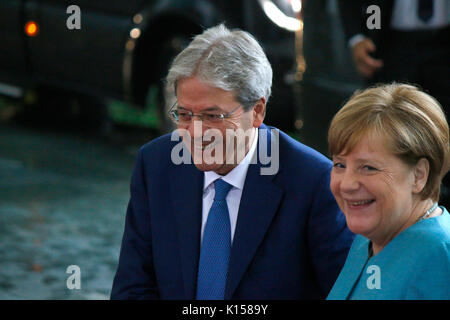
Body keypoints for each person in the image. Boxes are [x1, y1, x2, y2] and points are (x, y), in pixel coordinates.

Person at [110, 24, 354, 300]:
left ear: (257, 111)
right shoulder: (156, 165)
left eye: (213, 116)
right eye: (185, 115)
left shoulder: (313, 181)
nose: (196, 133)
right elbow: (132, 288)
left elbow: (342, 294)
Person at [326, 83, 450, 300]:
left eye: (368, 168)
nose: (346, 184)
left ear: (419, 175)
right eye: (340, 165)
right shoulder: (369, 239)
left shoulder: (440, 257)